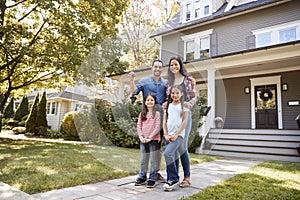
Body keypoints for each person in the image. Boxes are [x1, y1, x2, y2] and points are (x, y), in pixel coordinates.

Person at [128, 59, 167, 183]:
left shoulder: (165, 83)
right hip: (147, 120)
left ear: (162, 69)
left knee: (157, 147)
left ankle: (154, 174)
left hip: (160, 119)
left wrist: (167, 102)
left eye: (160, 67)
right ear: (152, 67)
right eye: (155, 67)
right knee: (145, 150)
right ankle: (143, 174)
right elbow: (134, 92)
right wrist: (131, 80)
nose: (157, 69)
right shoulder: (144, 81)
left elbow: (170, 97)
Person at [164, 56, 196, 188]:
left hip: (184, 115)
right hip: (173, 116)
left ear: (180, 65)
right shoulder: (169, 82)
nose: (174, 67)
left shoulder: (188, 79)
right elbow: (169, 98)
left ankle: (187, 178)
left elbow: (194, 96)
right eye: (171, 65)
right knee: (174, 148)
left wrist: (189, 104)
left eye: (176, 64)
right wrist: (166, 103)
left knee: (182, 147)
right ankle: (174, 177)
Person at [163, 85, 189, 191]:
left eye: (177, 93)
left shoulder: (184, 105)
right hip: (168, 135)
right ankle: (170, 181)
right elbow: (164, 121)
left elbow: (185, 121)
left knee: (167, 153)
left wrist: (177, 134)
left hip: (178, 135)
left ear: (181, 94)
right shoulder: (167, 106)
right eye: (173, 93)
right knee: (173, 156)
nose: (175, 95)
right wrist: (165, 134)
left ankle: (174, 178)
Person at [135, 94, 161, 188]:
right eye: (148, 100)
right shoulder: (142, 114)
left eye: (152, 100)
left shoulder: (157, 114)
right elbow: (139, 126)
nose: (149, 102)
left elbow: (158, 127)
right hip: (143, 139)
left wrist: (150, 137)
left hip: (153, 140)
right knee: (143, 160)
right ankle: (142, 177)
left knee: (154, 160)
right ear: (145, 102)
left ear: (154, 102)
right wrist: (141, 136)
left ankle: (152, 178)